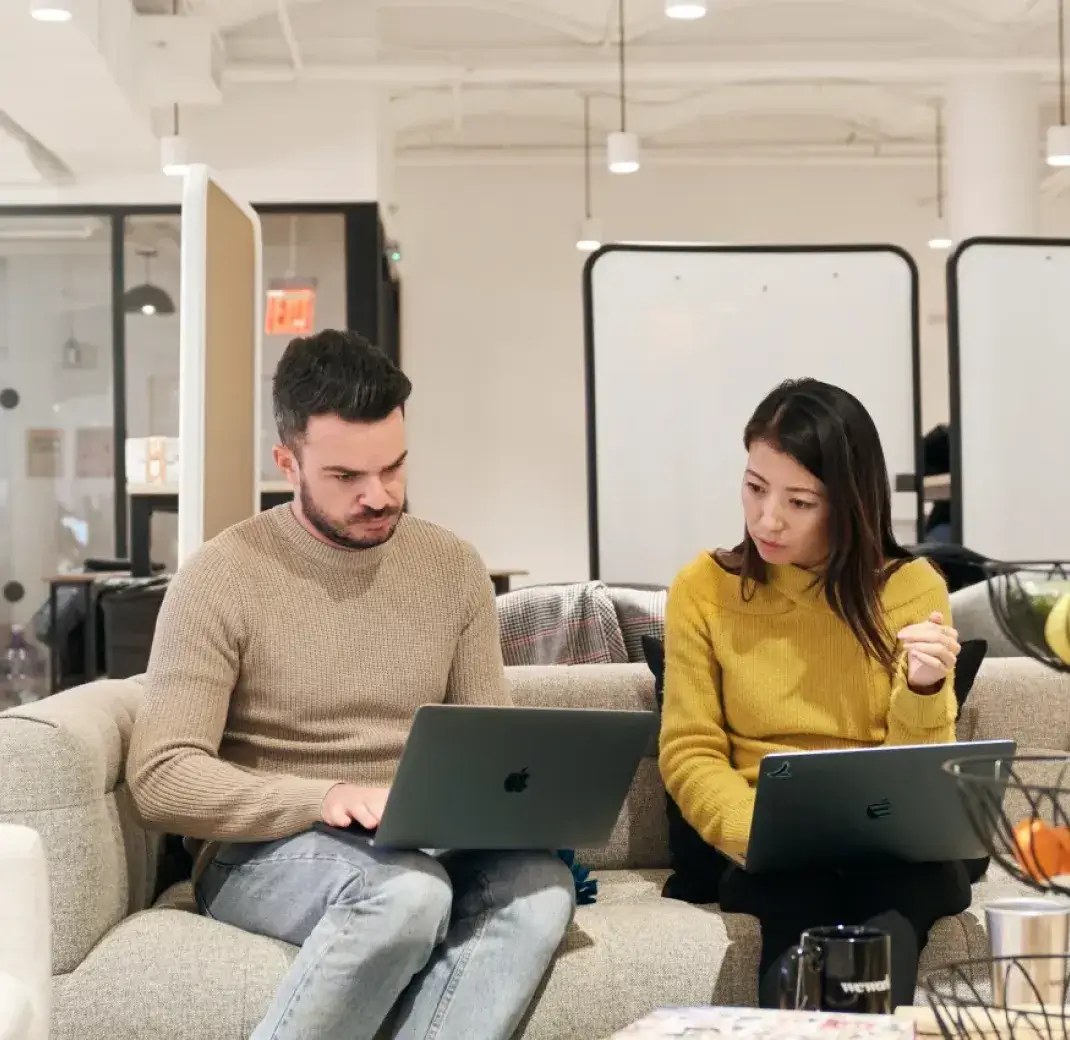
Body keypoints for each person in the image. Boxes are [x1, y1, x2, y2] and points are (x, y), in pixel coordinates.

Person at [127, 329, 574, 1040]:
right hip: (267, 850)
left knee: (540, 892)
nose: (379, 495)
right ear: (288, 461)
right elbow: (160, 777)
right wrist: (325, 797)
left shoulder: (452, 566)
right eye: (345, 477)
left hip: (423, 840)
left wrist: (527, 805)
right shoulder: (222, 574)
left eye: (393, 468)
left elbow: (492, 743)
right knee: (406, 894)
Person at [657, 378, 966, 1010]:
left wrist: (923, 688)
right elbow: (689, 751)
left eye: (799, 502)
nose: (767, 519)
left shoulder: (911, 589)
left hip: (890, 850)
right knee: (794, 906)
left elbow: (920, 779)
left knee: (889, 912)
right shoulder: (704, 588)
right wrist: (759, 833)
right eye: (754, 487)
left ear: (847, 504)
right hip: (765, 845)